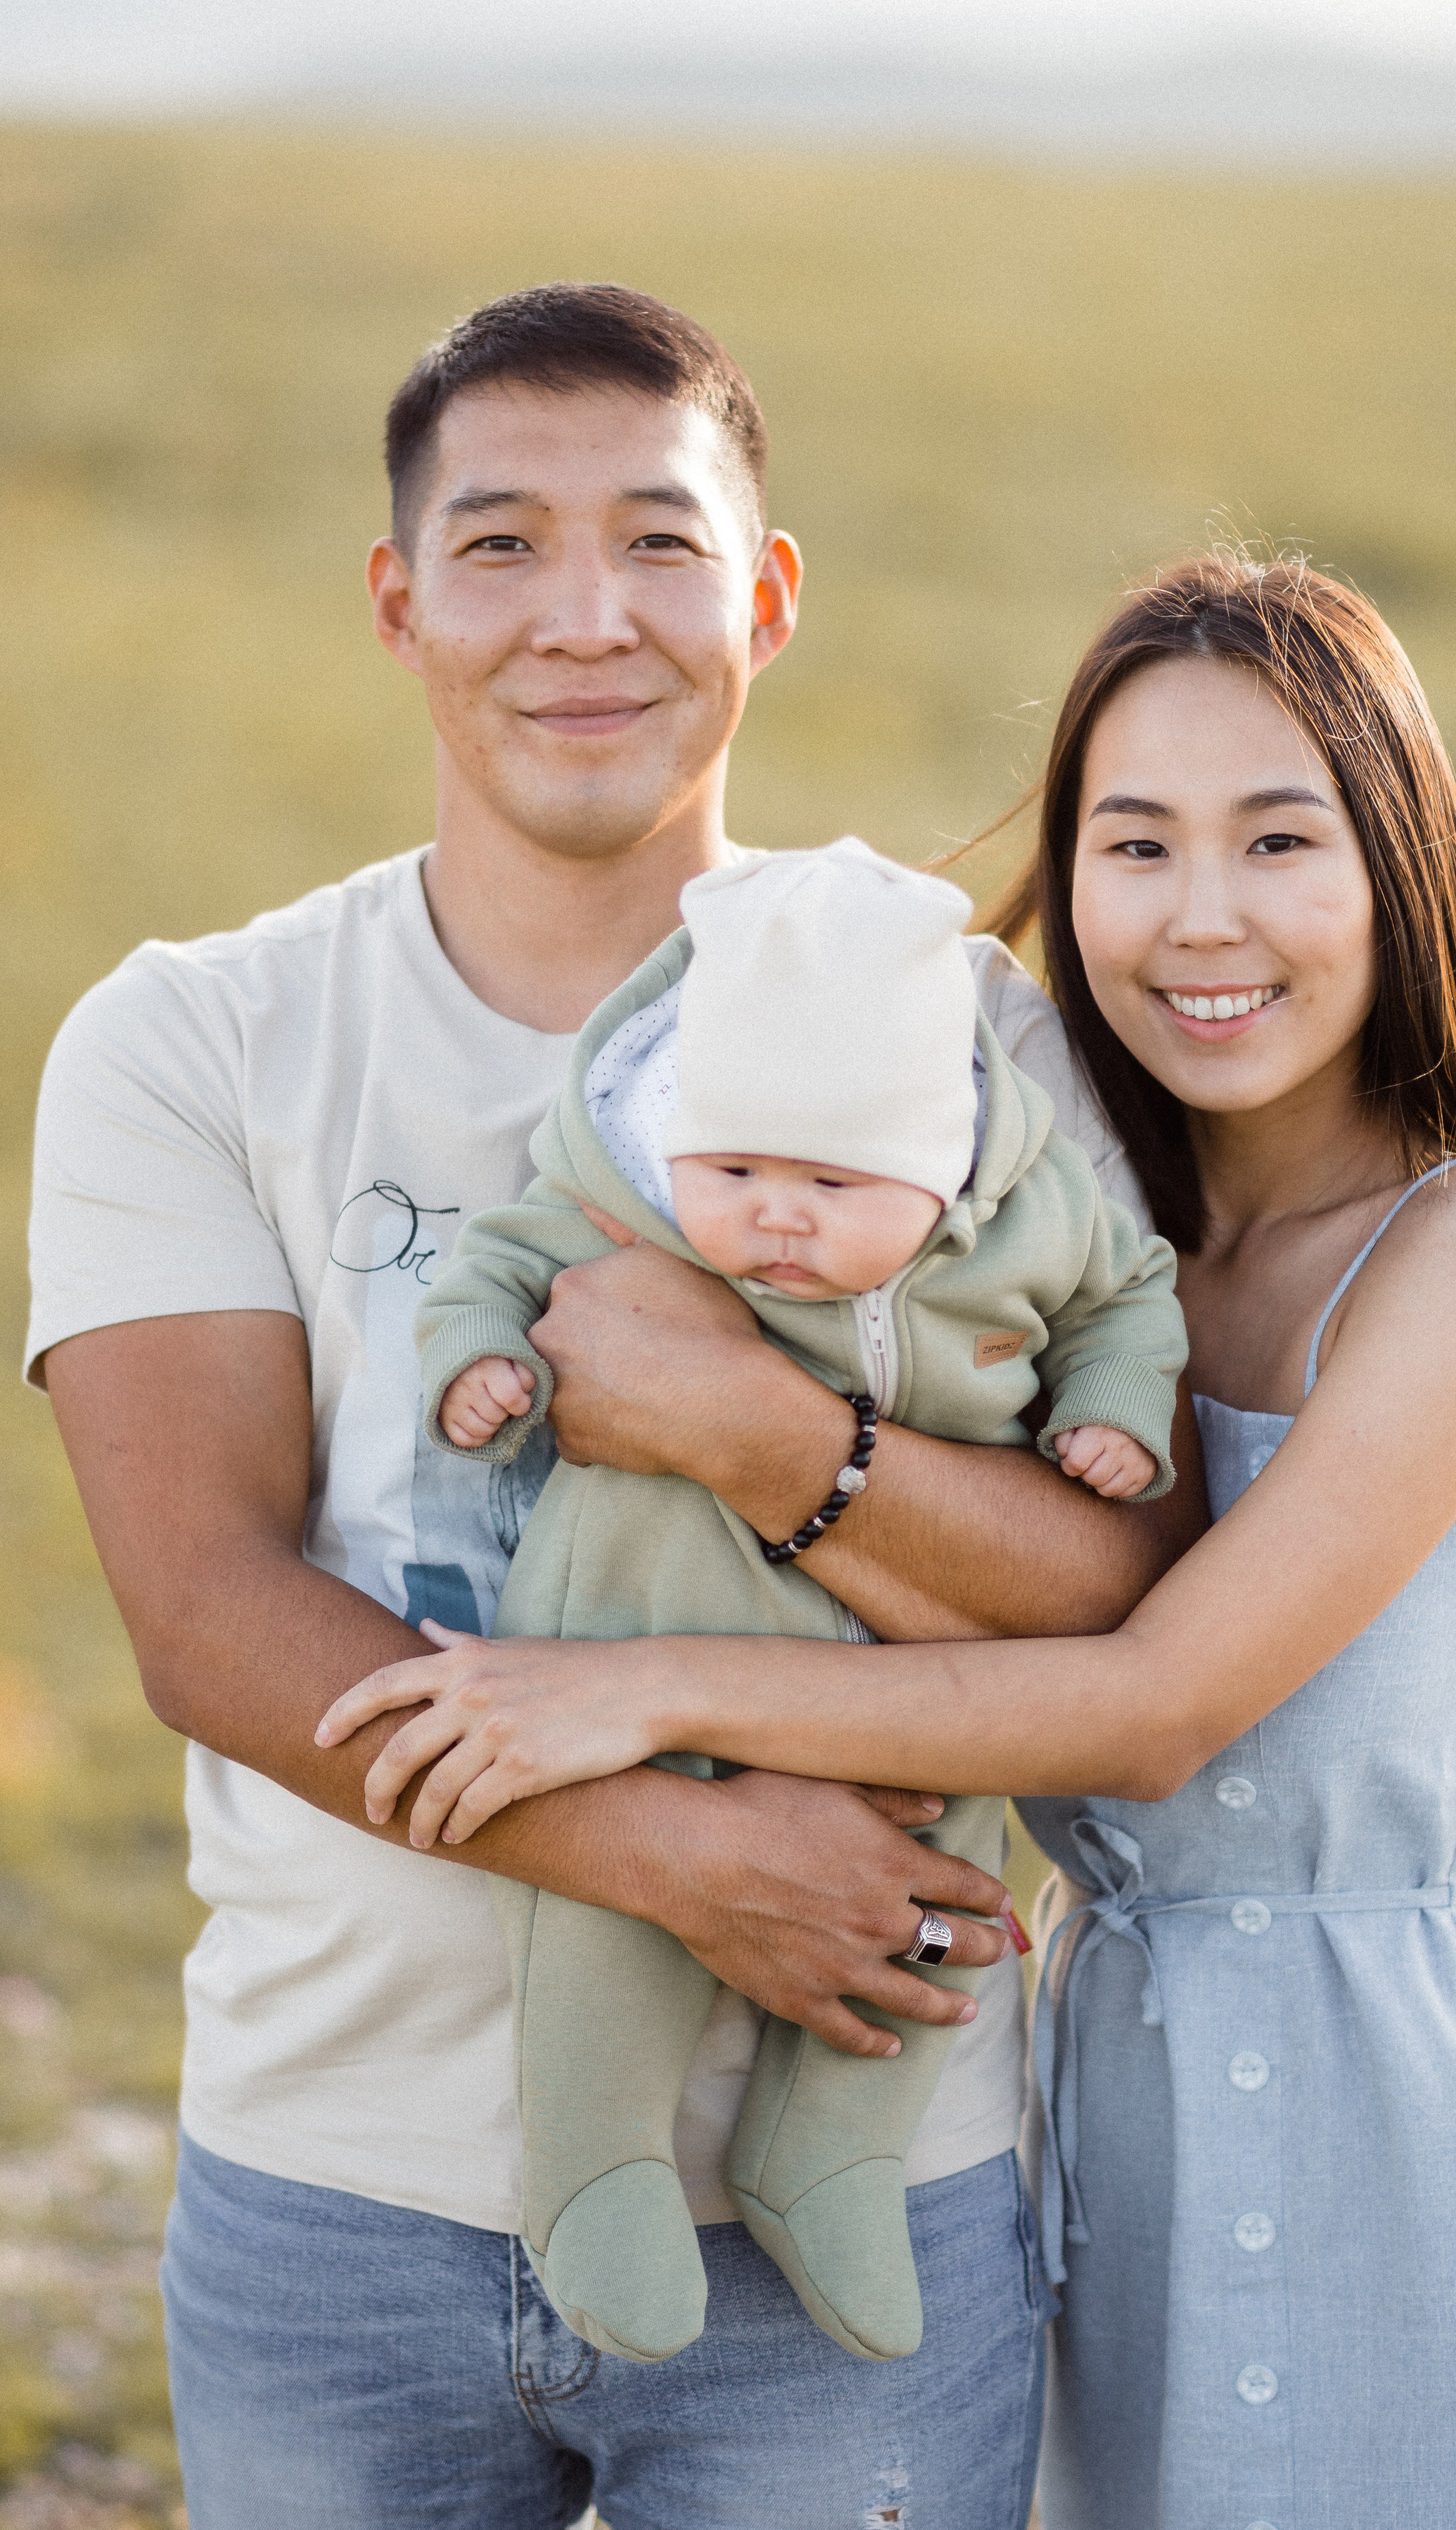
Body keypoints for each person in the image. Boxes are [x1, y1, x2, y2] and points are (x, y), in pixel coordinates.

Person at [28, 282, 1206, 2530]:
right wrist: (685, 1857)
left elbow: (1122, 1595)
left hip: (866, 2174)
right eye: (498, 546)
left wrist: (757, 1435)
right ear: (398, 605)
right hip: (334, 2187)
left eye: (660, 544)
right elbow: (203, 1611)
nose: (585, 616)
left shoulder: (975, 1046)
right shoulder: (198, 1039)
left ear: (764, 599)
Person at [400, 552, 1456, 2527]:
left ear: (1400, 870)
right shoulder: (1045, 1257)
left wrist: (633, 1685)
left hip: (1388, 2125)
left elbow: (1154, 1711)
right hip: (1104, 2107)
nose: (1203, 917)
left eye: (1280, 842)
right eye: (1134, 845)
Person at [315, 836, 1184, 2368]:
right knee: (598, 1940)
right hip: (629, 1644)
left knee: (931, 1920)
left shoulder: (1030, 1215)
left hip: (917, 1690)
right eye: (734, 1172)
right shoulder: (630, 1201)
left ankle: (826, 2162)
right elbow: (494, 1268)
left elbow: (1126, 1302)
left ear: (936, 1166)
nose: (773, 1216)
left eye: (830, 1185)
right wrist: (480, 1366)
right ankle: (596, 2169)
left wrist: (1106, 1407)